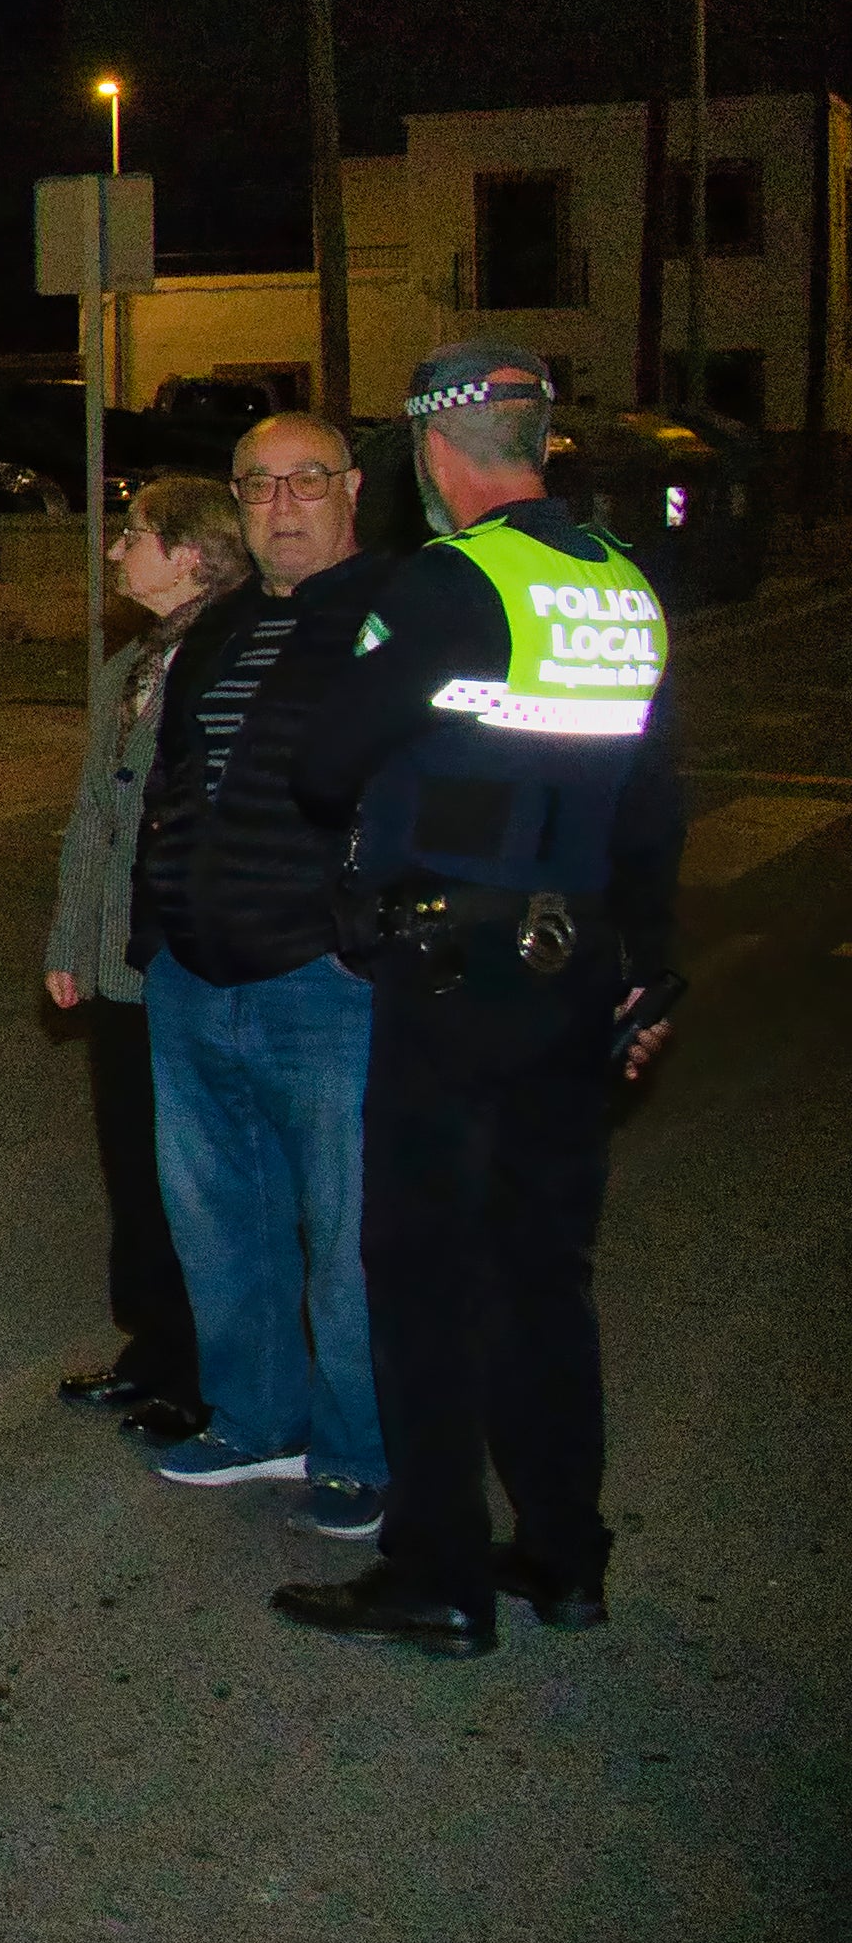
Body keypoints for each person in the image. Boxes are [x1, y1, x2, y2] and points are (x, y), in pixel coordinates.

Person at [271, 347, 687, 1658]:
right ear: (537, 440)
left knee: (427, 1277)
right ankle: (565, 1557)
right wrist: (648, 969)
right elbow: (653, 806)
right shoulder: (625, 587)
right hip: (580, 973)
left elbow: (330, 761)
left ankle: (439, 1572)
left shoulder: (451, 584)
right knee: (545, 1274)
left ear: (435, 451)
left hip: (455, 974)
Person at [126, 412, 388, 1532]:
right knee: (218, 1217)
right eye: (259, 487)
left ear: (354, 490)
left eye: (305, 482)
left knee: (348, 1234)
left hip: (324, 983)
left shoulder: (396, 617)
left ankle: (359, 1450)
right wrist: (154, 930)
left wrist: (357, 932)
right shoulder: (220, 629)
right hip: (196, 974)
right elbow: (176, 778)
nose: (281, 507)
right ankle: (254, 1419)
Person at [42, 473, 244, 1438]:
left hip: (189, 958)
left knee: (196, 1174)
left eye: (136, 535)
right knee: (132, 1160)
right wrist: (70, 940)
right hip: (124, 961)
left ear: (193, 555)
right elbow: (93, 818)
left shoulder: (234, 653)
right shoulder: (126, 667)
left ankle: (208, 1372)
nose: (118, 551)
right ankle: (153, 1345)